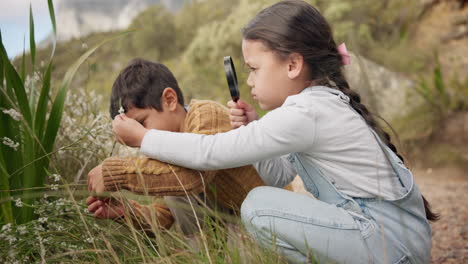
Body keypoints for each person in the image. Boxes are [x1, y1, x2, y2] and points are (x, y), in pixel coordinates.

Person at [96, 1, 440, 263]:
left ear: (292, 65)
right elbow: (278, 174)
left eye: (254, 69)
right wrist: (253, 128)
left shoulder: (305, 111)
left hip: (388, 244)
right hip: (393, 240)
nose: (249, 81)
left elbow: (208, 153)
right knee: (264, 199)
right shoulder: (314, 105)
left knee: (258, 207)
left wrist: (142, 139)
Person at [85, 58, 289, 236]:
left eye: (142, 123)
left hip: (270, 220)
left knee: (179, 170)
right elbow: (163, 216)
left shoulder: (206, 114)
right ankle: (208, 253)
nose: (138, 137)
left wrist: (117, 173)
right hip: (231, 227)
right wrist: (125, 212)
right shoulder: (162, 151)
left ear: (170, 100)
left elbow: (193, 176)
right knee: (171, 179)